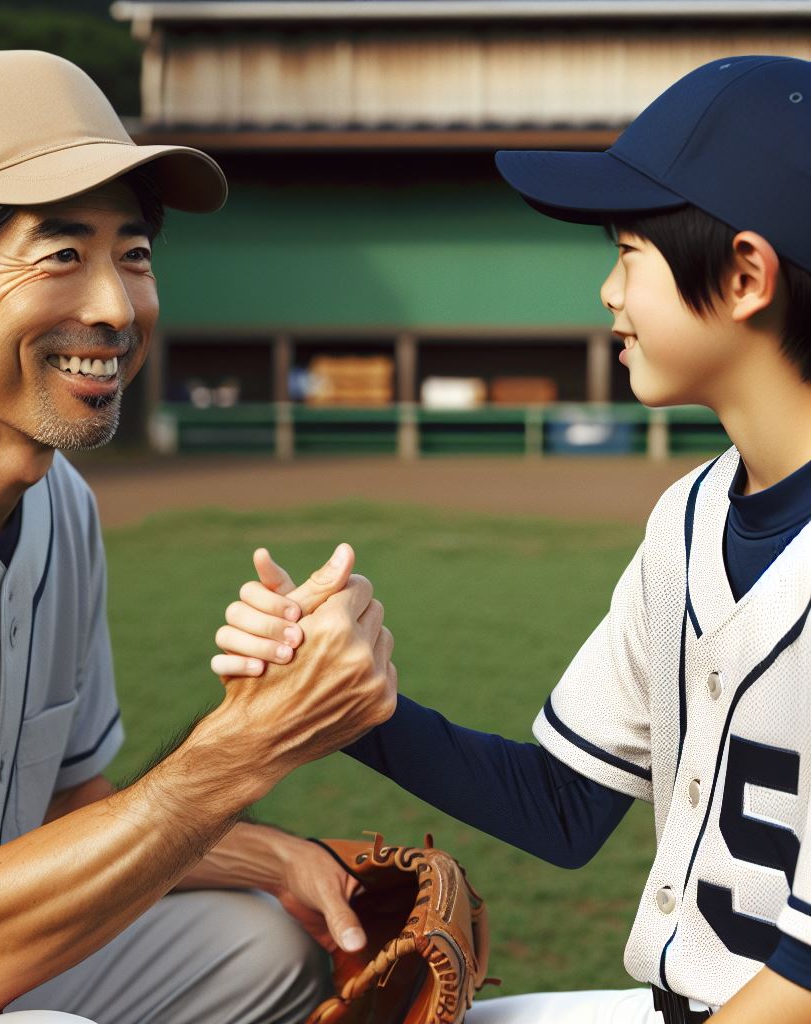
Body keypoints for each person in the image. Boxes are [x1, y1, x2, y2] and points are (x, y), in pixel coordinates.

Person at [0, 49, 398, 1024]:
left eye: (135, 254)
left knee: (264, 945)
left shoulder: (57, 498)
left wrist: (263, 850)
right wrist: (245, 744)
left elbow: (65, 812)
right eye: (62, 253)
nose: (115, 306)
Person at [212, 55, 811, 1023]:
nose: (609, 294)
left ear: (745, 274)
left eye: (627, 251)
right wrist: (347, 700)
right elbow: (563, 806)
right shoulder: (690, 516)